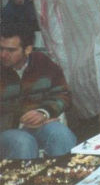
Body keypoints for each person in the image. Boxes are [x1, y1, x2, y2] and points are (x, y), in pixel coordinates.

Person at [0, 22, 77, 159]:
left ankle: (64, 178)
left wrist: (44, 113)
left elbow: (63, 94)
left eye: (11, 50)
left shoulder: (43, 64)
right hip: (6, 131)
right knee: (23, 142)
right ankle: (26, 181)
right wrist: (19, 119)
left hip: (39, 125)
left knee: (61, 135)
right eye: (1, 48)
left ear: (28, 49)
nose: (3, 54)